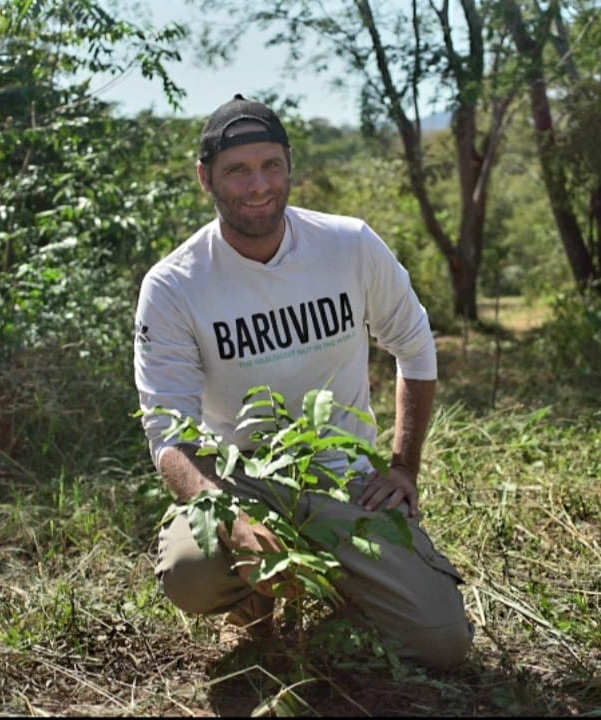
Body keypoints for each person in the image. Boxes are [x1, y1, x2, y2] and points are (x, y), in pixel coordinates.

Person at [133, 94, 472, 671]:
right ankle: (252, 604)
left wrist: (403, 467)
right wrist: (230, 518)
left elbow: (414, 347)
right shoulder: (174, 285)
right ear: (205, 179)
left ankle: (345, 591)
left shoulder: (349, 245)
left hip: (344, 479)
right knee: (193, 572)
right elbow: (168, 435)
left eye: (271, 166)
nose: (257, 185)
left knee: (443, 645)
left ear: (290, 165)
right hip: (241, 479)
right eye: (237, 171)